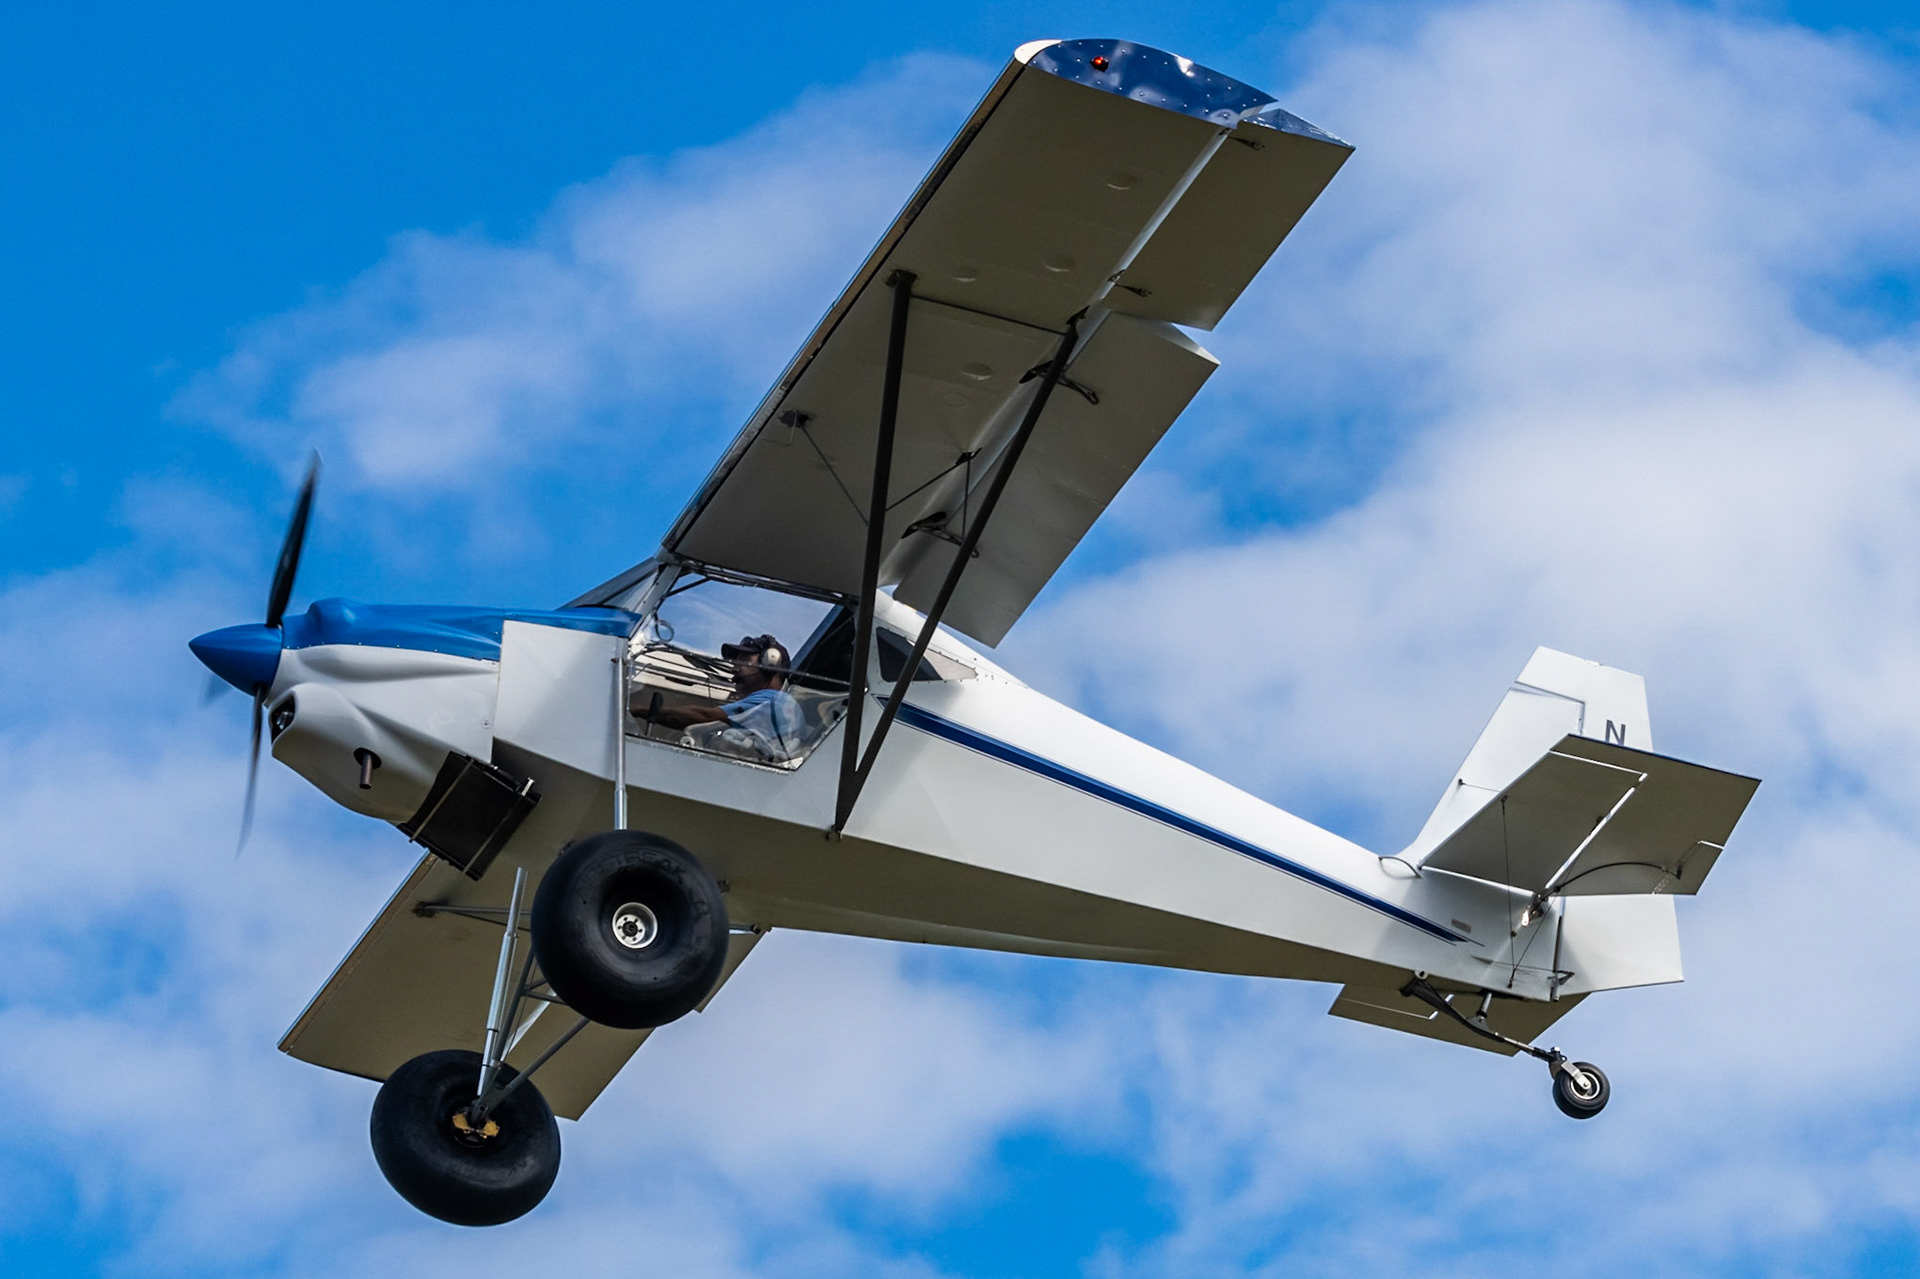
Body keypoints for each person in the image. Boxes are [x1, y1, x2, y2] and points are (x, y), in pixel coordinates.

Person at [649, 634, 804, 760]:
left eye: (744, 660)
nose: (734, 668)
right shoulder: (777, 703)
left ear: (770, 663)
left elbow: (704, 717)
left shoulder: (773, 700)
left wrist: (639, 710)